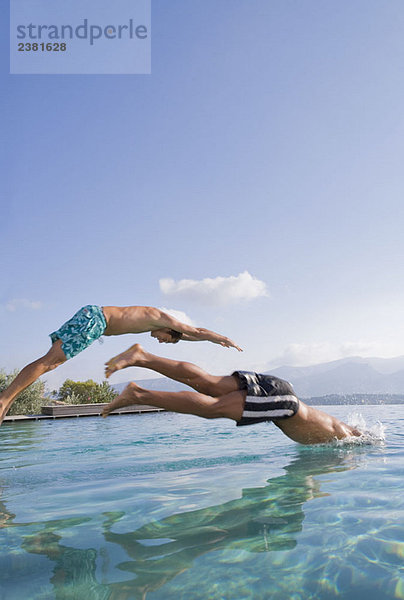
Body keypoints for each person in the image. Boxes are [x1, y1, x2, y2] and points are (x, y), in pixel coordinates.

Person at [0, 305, 241, 425]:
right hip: (95, 322)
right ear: (170, 329)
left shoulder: (156, 322)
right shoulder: (163, 318)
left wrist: (205, 339)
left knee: (50, 362)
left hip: (91, 317)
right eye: (164, 339)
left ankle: (7, 400)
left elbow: (188, 336)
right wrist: (221, 337)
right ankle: (4, 399)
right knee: (49, 362)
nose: (158, 339)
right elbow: (195, 331)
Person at [102, 344, 362, 445]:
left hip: (280, 390)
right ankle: (139, 395)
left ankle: (143, 356)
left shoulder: (341, 427)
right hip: (284, 405)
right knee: (213, 407)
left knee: (207, 383)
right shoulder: (348, 440)